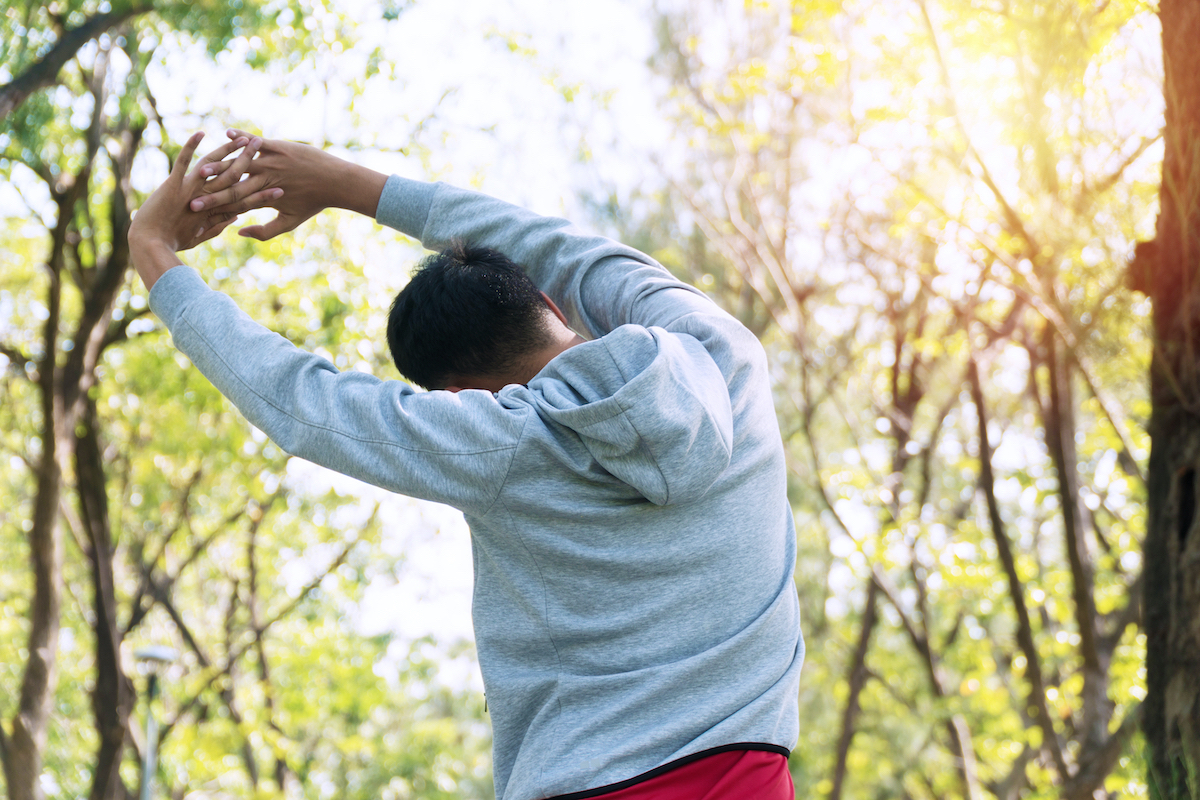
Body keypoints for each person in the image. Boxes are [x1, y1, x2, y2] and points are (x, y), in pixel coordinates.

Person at [129, 131, 805, 800]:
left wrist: (156, 254)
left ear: (455, 395)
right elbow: (564, 250)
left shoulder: (503, 443)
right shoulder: (724, 351)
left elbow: (301, 398)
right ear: (548, 301)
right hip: (751, 779)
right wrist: (349, 186)